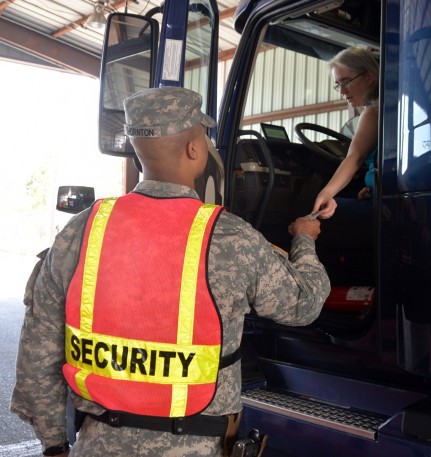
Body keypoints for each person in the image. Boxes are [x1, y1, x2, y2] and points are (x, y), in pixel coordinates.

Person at [11, 86, 331, 457]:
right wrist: (304, 240)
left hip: (98, 443)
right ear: (195, 150)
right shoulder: (230, 237)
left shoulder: (81, 231)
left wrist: (53, 444)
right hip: (199, 446)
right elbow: (303, 305)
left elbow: (38, 353)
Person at [311, 46, 379, 219]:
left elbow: (354, 158)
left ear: (369, 77)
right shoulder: (386, 108)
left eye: (346, 81)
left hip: (378, 205)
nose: (342, 91)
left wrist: (327, 192)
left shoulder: (373, 112)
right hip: (375, 196)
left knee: (315, 215)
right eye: (338, 84)